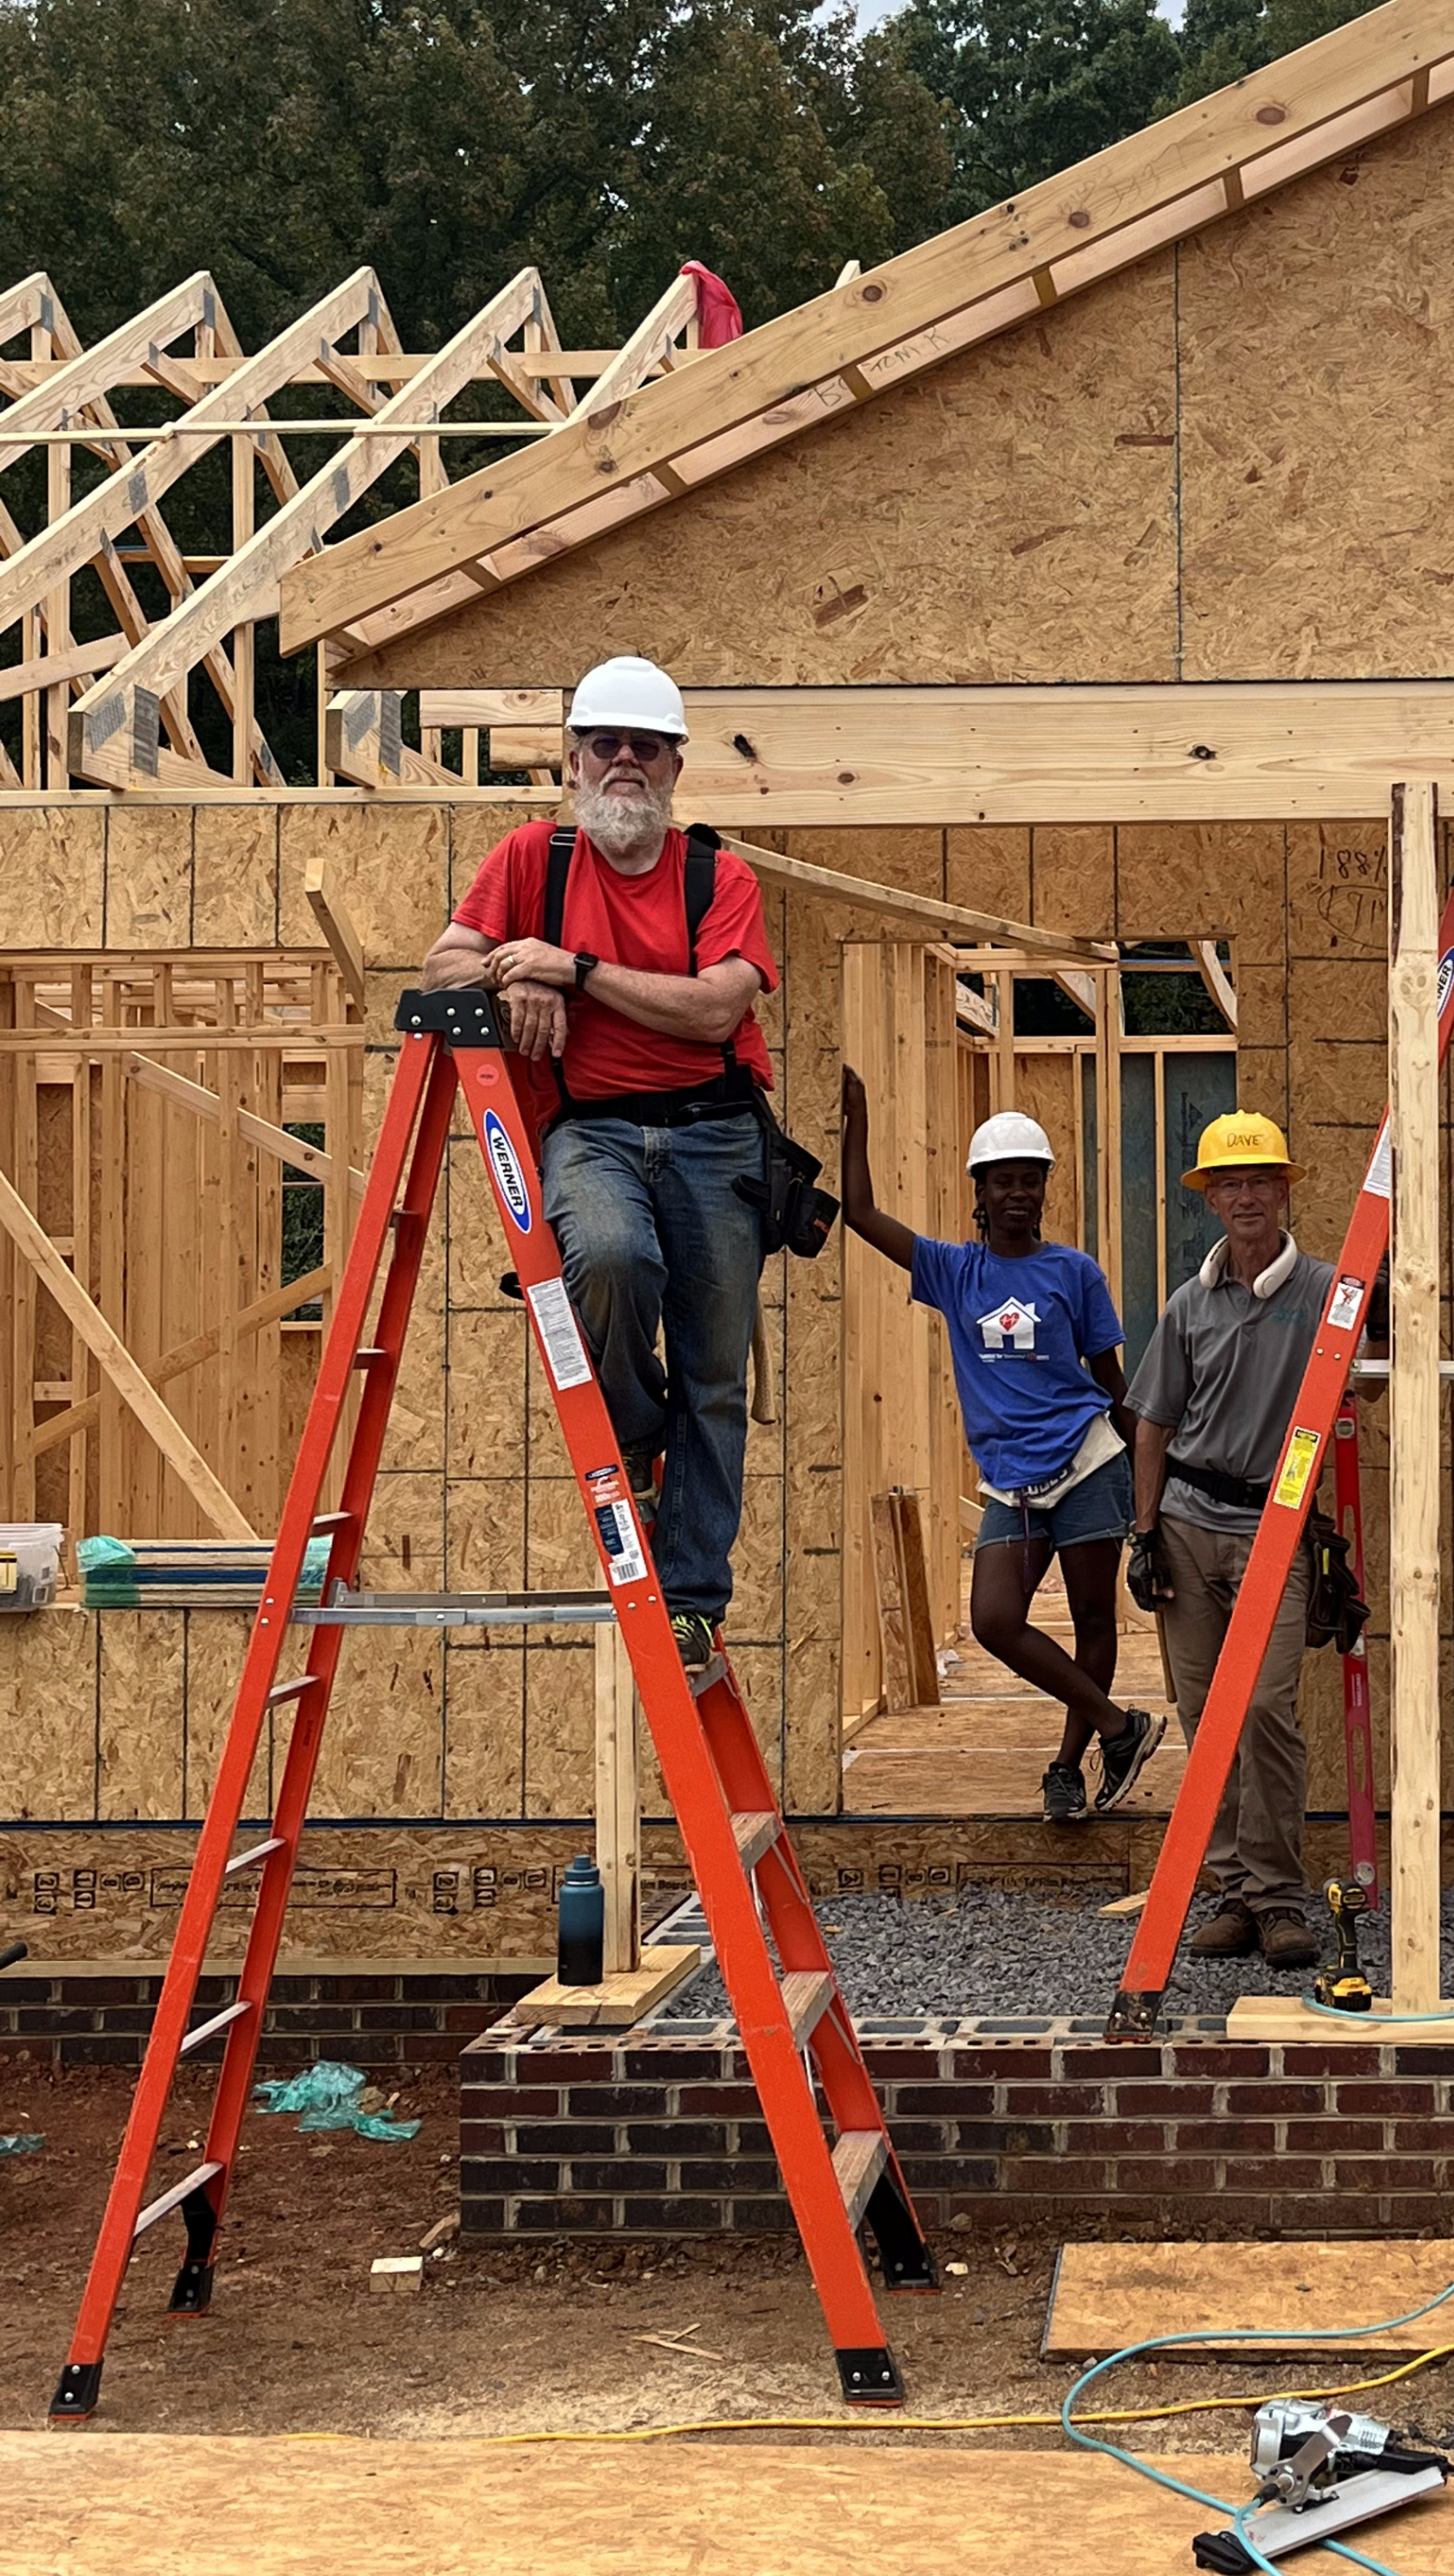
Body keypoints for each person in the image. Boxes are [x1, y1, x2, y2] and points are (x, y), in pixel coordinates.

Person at [420, 657, 777, 1676]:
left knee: (713, 1377)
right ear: (573, 760)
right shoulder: (535, 859)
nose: (625, 762)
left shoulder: (718, 877)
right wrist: (511, 967)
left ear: (674, 767)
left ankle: (695, 1600)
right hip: (594, 1131)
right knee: (611, 1260)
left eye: (645, 747)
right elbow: (442, 963)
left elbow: (716, 1006)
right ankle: (633, 1429)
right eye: (605, 745)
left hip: (715, 1136)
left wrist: (571, 971)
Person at [839, 1077, 1162, 1824]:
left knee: (1093, 1622)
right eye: (1003, 1182)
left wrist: (1152, 1490)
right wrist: (857, 1119)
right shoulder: (955, 1272)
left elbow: (1112, 1381)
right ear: (979, 1192)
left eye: (1030, 1181)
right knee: (993, 1619)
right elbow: (859, 1214)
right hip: (1012, 1483)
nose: (1017, 1194)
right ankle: (1122, 1729)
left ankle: (1067, 1767)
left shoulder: (1074, 1273)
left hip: (1087, 1461)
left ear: (1045, 1189)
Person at [1124, 1112, 1352, 1976]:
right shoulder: (1190, 1305)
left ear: (1285, 1190)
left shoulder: (1328, 1291)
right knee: (1205, 1716)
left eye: (1261, 1180)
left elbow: (1386, 1347)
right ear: (1211, 1198)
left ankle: (1280, 1896)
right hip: (1186, 1527)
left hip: (1275, 1528)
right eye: (1230, 1183)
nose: (1246, 1195)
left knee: (1265, 1711)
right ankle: (1230, 1893)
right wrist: (1143, 1536)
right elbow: (1152, 1425)